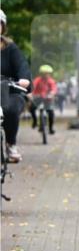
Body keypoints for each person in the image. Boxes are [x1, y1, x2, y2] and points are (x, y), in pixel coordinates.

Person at [1, 9, 31, 163]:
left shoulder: (10, 48)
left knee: (11, 109)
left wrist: (24, 78)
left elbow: (22, 65)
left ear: (3, 27)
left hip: (9, 90)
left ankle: (11, 144)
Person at [31, 65, 58, 136]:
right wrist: (31, 94)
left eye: (48, 73)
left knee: (51, 112)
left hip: (47, 98)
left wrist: (52, 93)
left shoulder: (51, 81)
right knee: (32, 108)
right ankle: (35, 121)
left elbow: (54, 89)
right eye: (45, 73)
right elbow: (33, 87)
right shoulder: (37, 80)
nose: (47, 75)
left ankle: (51, 128)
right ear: (42, 74)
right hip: (38, 97)